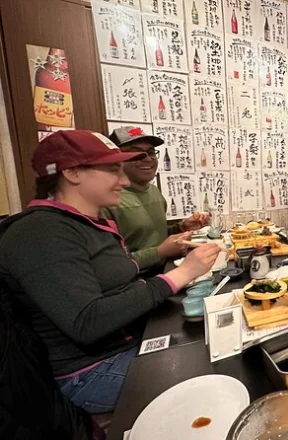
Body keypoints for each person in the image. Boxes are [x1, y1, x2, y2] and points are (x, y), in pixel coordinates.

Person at [0, 130, 220, 414]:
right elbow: (87, 321)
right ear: (72, 172)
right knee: (211, 373)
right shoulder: (39, 231)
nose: (124, 181)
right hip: (89, 371)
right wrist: (179, 275)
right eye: (113, 169)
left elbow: (123, 276)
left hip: (127, 341)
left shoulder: (89, 222)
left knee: (213, 340)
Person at [102, 126, 209, 272]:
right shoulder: (106, 199)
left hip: (166, 271)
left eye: (151, 152)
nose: (147, 159)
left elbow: (153, 236)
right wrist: (160, 252)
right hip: (136, 280)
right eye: (136, 153)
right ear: (116, 158)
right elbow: (111, 265)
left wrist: (181, 227)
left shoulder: (153, 191)